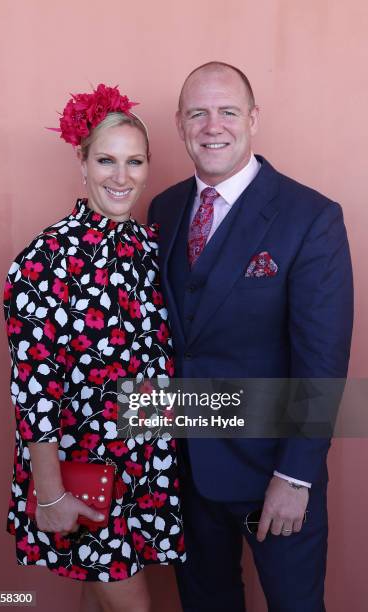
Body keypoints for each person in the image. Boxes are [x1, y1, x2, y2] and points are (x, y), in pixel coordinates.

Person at [148, 62, 353, 611]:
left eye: (228, 111)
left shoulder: (311, 217)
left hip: (273, 473)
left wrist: (296, 476)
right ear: (180, 123)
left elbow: (322, 363)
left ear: (253, 119)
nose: (212, 126)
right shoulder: (164, 209)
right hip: (183, 473)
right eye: (198, 113)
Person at [3, 84, 185, 612]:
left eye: (134, 161)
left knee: (97, 589)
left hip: (141, 463)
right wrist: (52, 494)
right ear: (82, 164)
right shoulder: (45, 260)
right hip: (82, 472)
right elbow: (33, 392)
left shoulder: (150, 246)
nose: (121, 176)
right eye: (106, 160)